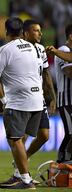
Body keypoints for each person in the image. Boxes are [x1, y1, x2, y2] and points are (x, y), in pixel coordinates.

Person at [0, 17, 44, 189]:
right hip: (37, 101)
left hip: (19, 101)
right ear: (22, 32)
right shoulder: (34, 48)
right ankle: (20, 175)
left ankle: (25, 180)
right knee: (21, 138)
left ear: (6, 32)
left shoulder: (5, 49)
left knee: (15, 140)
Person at [21, 19, 56, 164]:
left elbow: (46, 73)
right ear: (26, 33)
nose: (40, 33)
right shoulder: (18, 49)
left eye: (40, 30)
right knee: (23, 135)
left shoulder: (41, 49)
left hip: (39, 98)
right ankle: (19, 169)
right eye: (36, 30)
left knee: (44, 135)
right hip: (23, 98)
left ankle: (24, 157)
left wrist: (53, 97)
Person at [54, 24, 72, 162]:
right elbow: (69, 72)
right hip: (66, 100)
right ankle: (62, 162)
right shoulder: (63, 50)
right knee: (70, 133)